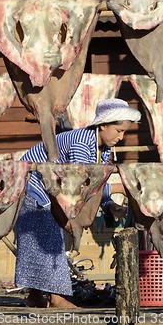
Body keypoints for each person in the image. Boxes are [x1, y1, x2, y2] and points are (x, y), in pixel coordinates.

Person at [15, 98, 141, 308]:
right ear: (103, 125)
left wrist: (108, 204)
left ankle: (35, 297)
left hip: (52, 190)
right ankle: (56, 299)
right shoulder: (82, 144)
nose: (121, 137)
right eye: (118, 130)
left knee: (42, 244)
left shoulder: (103, 149)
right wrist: (118, 189)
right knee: (49, 242)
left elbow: (94, 182)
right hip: (34, 185)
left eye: (124, 132)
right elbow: (77, 184)